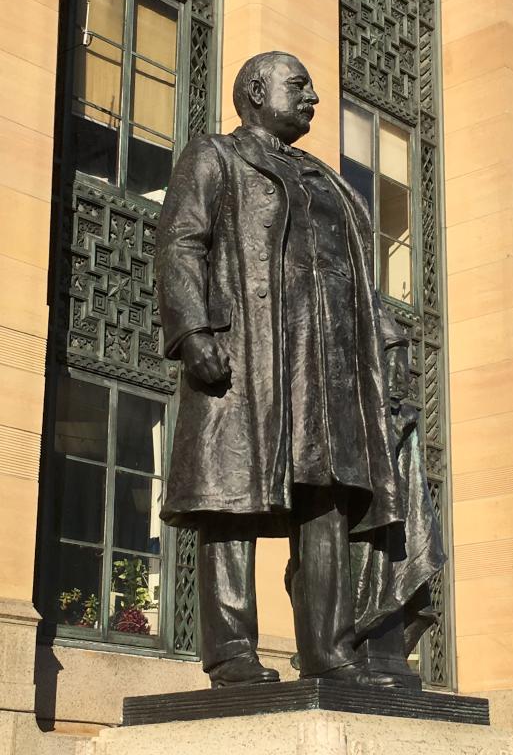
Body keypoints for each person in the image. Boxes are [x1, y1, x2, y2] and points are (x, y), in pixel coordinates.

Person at [156, 51, 445, 689]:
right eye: (300, 85)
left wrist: (386, 340)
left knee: (328, 500)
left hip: (329, 364)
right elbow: (180, 241)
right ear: (257, 92)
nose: (315, 96)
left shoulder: (326, 179)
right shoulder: (217, 157)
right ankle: (231, 652)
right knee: (230, 501)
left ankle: (328, 650)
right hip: (251, 358)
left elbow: (355, 276)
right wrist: (192, 328)